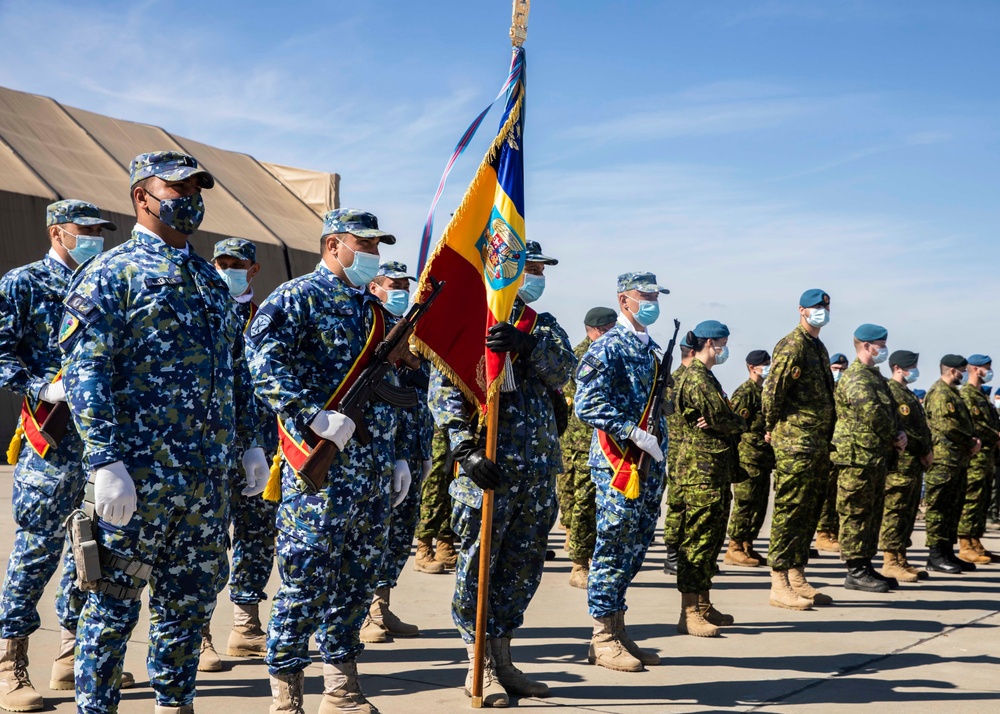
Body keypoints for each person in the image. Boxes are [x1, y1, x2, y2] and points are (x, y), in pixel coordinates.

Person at [60, 151, 269, 714]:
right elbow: (87, 370)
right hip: (137, 479)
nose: (190, 200)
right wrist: (105, 461)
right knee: (109, 608)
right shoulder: (111, 273)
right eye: (176, 190)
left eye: (196, 190)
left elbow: (235, 369)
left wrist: (250, 440)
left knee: (188, 608)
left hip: (204, 484)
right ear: (141, 198)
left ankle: (175, 705)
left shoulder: (207, 278)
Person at [246, 209, 410, 714]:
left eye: (377, 247)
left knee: (359, 579)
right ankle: (286, 693)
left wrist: (400, 454)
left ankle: (341, 687)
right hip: (321, 471)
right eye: (364, 245)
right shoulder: (297, 297)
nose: (372, 256)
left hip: (373, 470)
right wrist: (309, 415)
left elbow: (395, 388)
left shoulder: (375, 311)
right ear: (333, 245)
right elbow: (261, 360)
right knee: (306, 579)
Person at [428, 240, 573, 705]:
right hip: (488, 469)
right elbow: (445, 388)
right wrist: (465, 450)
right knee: (478, 568)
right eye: (529, 267)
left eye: (539, 269)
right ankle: (479, 666)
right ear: (504, 269)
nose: (536, 275)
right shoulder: (472, 316)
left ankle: (504, 659)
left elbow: (564, 373)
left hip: (535, 471)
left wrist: (527, 345)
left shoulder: (542, 325)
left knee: (521, 568)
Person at [0, 200, 129, 710]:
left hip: (103, 442)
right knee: (35, 552)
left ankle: (71, 657)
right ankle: (11, 664)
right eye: (88, 230)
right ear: (59, 233)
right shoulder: (23, 283)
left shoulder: (108, 283)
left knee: (91, 551)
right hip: (51, 442)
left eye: (102, 230)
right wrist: (39, 387)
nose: (97, 237)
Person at [574, 274, 669, 670]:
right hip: (620, 464)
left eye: (654, 296)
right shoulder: (610, 345)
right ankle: (602, 637)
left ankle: (619, 628)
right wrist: (632, 432)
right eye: (643, 296)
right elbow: (586, 402)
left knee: (636, 546)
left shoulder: (651, 348)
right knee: (613, 547)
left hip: (649, 463)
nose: (650, 302)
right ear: (623, 300)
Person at [194, 238, 277, 671]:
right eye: (221, 263)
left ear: (253, 269)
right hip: (212, 446)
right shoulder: (202, 310)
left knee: (258, 537)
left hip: (263, 444)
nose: (228, 270)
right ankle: (200, 633)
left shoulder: (269, 315)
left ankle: (245, 626)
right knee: (206, 543)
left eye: (237, 264)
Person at [360, 261, 432, 643]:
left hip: (414, 443)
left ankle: (382, 605)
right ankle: (366, 613)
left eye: (406, 284)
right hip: (381, 446)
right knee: (375, 533)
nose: (402, 290)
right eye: (394, 284)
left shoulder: (414, 331)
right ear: (375, 288)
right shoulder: (369, 327)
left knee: (401, 532)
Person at [762, 289, 836, 610]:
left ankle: (797, 575)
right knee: (790, 509)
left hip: (818, 443)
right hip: (795, 442)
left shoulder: (817, 347)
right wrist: (770, 427)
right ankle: (779, 581)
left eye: (825, 306)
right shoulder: (792, 345)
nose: (821, 311)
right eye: (816, 307)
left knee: (808, 511)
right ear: (802, 310)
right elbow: (772, 392)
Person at [671, 320, 744, 637]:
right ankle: (689, 612)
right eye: (723, 343)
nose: (725, 349)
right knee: (698, 542)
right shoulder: (698, 378)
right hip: (701, 472)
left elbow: (719, 419)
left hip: (713, 470)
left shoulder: (706, 376)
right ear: (712, 344)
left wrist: (725, 420)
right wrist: (733, 420)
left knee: (711, 539)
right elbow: (725, 418)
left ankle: (703, 605)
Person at [831, 324, 906, 593]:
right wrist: (893, 435)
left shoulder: (874, 377)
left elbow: (890, 412)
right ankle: (855, 571)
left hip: (874, 457)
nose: (883, 349)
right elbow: (871, 412)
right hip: (857, 459)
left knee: (872, 514)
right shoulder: (856, 377)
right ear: (865, 345)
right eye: (880, 344)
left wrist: (899, 433)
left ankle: (866, 564)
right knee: (855, 513)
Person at [561, 306, 616, 589]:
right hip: (585, 441)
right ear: (595, 330)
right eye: (608, 329)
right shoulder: (581, 355)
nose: (613, 333)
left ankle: (597, 558)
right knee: (584, 501)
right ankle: (579, 564)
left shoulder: (612, 351)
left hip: (612, 439)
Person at [923, 355, 981, 574]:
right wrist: (970, 440)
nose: (965, 375)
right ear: (952, 371)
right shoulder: (940, 393)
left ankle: (947, 552)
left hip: (957, 460)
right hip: (943, 461)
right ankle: (935, 555)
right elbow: (946, 426)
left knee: (953, 508)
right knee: (939, 508)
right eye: (962, 371)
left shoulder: (953, 393)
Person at [879, 350, 933, 583]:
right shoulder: (892, 391)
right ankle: (890, 561)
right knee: (895, 510)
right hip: (901, 464)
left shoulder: (907, 393)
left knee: (908, 512)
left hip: (913, 464)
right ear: (897, 368)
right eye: (910, 366)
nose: (914, 370)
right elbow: (904, 429)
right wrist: (924, 449)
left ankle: (901, 558)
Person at [724, 349, 774, 567]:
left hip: (762, 458)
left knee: (759, 505)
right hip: (748, 458)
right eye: (764, 364)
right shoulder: (746, 393)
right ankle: (734, 547)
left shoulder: (762, 392)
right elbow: (735, 426)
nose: (768, 367)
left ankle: (747, 545)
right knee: (745, 503)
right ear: (752, 367)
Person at [957, 354, 999, 564]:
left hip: (987, 457)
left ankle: (975, 541)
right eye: (986, 368)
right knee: (971, 499)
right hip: (975, 456)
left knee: (982, 500)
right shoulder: (967, 394)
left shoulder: (981, 395)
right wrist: (996, 435)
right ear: (974, 369)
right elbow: (974, 425)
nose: (989, 372)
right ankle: (965, 544)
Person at [662, 336, 693, 576]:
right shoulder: (678, 379)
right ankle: (673, 555)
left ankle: (680, 553)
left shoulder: (683, 378)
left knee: (683, 502)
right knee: (678, 502)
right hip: (679, 449)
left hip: (686, 449)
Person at [817, 353, 850, 553]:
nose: (839, 373)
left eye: (842, 369)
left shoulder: (844, 390)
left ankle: (834, 532)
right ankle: (823, 533)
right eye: (835, 369)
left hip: (842, 449)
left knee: (838, 494)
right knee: (826, 494)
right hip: (826, 448)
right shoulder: (822, 389)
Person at [412, 429, 454, 574]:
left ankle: (445, 545)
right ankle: (423, 548)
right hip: (439, 423)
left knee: (453, 481)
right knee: (435, 483)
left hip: (461, 423)